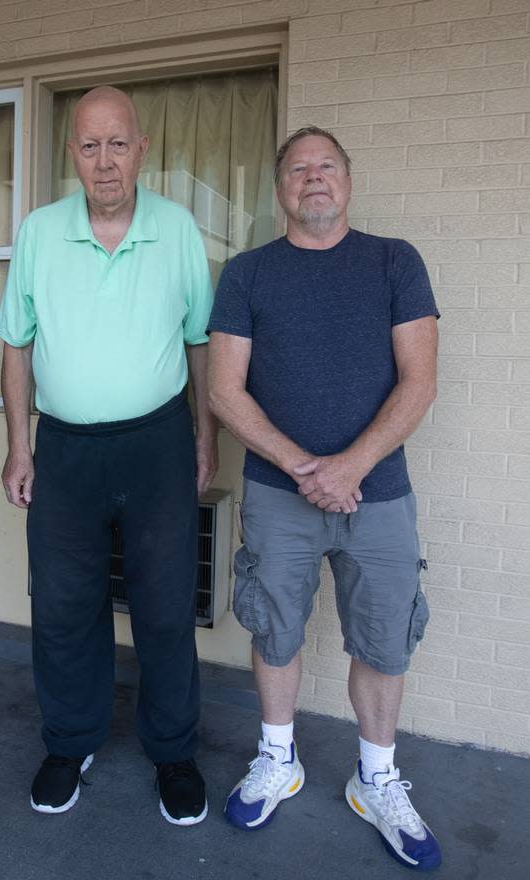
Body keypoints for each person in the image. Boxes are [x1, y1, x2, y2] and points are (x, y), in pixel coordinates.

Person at [207, 126, 441, 870]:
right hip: (280, 494)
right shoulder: (247, 274)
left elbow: (420, 380)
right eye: (299, 168)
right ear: (280, 189)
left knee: (383, 636)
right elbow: (223, 390)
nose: (314, 178)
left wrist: (350, 467)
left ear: (347, 182)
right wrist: (306, 466)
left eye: (327, 167)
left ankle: (376, 779)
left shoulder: (394, 262)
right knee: (274, 628)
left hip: (380, 497)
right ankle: (279, 759)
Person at [0, 86, 217, 825]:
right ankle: (70, 741)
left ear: (143, 149)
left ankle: (174, 752)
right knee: (63, 606)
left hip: (157, 444)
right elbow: (17, 346)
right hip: (64, 449)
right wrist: (18, 447)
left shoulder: (178, 229)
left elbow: (199, 343)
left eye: (117, 143)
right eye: (89, 146)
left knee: (163, 607)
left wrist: (204, 440)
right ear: (72, 156)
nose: (104, 161)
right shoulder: (38, 232)